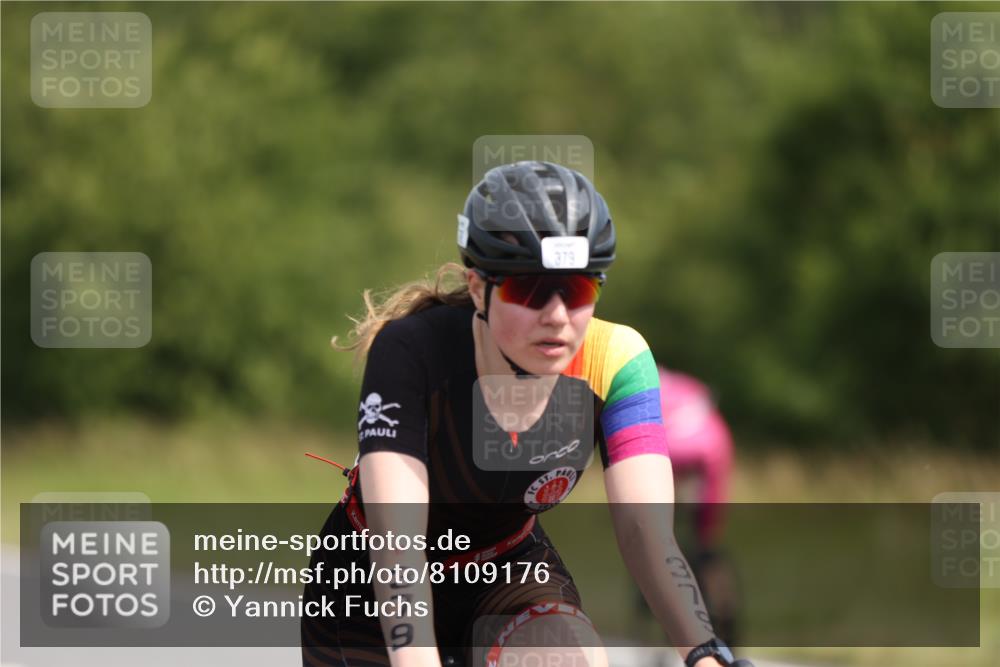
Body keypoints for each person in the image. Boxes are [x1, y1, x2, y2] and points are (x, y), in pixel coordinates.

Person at [300, 161, 753, 667]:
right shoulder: (412, 351)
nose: (557, 315)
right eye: (528, 290)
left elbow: (645, 532)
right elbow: (398, 543)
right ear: (478, 288)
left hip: (508, 568)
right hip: (370, 576)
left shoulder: (616, 359)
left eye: (578, 290)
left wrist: (705, 653)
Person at [633, 367, 740, 644]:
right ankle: (723, 614)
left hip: (674, 449)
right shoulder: (686, 384)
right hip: (715, 443)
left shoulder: (637, 379)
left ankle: (662, 601)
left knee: (652, 535)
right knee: (706, 541)